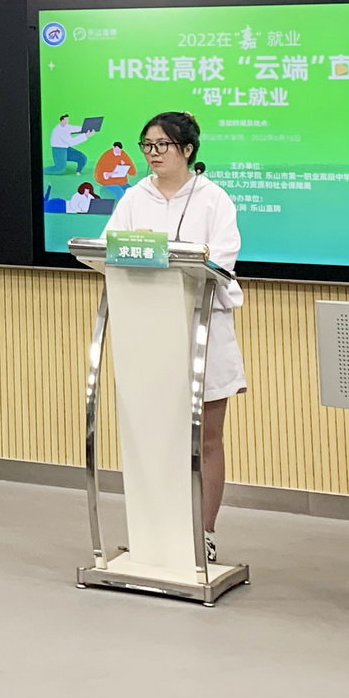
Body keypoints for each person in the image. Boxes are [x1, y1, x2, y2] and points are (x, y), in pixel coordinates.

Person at [103, 111, 246, 563]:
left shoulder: (214, 199)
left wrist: (168, 255)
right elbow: (108, 248)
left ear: (187, 150)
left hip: (204, 329)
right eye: (147, 145)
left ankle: (203, 534)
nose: (152, 153)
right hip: (148, 334)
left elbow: (222, 261)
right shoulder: (134, 197)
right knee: (154, 435)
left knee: (206, 438)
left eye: (162, 145)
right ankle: (154, 531)